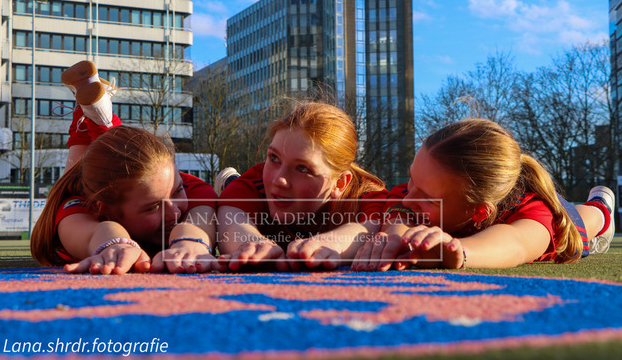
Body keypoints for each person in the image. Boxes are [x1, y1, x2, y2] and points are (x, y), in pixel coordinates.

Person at [352, 118, 616, 271]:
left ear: (478, 211)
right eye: (412, 178)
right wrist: (398, 240)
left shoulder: (534, 216)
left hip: (556, 215)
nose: (408, 198)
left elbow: (515, 244)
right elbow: (400, 215)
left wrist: (457, 251)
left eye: (429, 198)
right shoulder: (418, 190)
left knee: (583, 219)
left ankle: (602, 203)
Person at [31, 61, 219, 275]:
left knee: (95, 158)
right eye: (153, 207)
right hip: (117, 188)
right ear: (105, 210)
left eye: (177, 191)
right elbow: (98, 231)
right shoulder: (75, 208)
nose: (174, 212)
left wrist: (191, 242)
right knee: (84, 163)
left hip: (164, 181)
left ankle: (98, 116)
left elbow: (197, 220)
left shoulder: (193, 190)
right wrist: (115, 245)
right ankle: (99, 117)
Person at [216, 102, 387, 272]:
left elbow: (369, 229)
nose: (279, 180)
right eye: (274, 157)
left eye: (302, 168)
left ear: (340, 183)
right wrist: (254, 244)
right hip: (245, 192)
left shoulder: (366, 193)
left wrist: (330, 243)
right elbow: (230, 218)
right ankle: (230, 179)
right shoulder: (254, 183)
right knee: (231, 189)